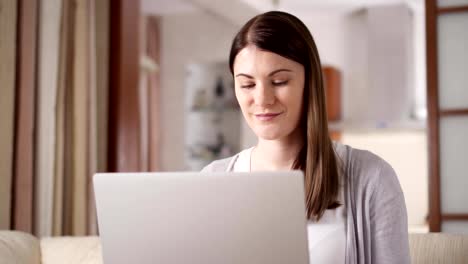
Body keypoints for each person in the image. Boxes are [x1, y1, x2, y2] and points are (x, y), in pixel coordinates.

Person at [202, 11, 410, 264]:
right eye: (247, 85)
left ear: (309, 83)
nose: (262, 99)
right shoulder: (212, 180)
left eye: (278, 81)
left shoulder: (371, 178)